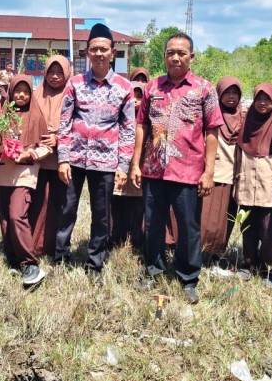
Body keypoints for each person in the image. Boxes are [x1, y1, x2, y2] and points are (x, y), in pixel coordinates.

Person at [130, 33, 222, 303]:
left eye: (181, 53)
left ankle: (188, 276)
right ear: (164, 56)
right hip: (154, 169)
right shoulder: (152, 88)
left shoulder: (205, 89)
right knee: (154, 224)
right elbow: (141, 126)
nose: (175, 57)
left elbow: (212, 131)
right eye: (170, 52)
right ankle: (154, 269)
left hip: (188, 171)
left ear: (191, 57)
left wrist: (209, 172)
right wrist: (135, 163)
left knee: (188, 226)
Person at [55, 23, 135, 279]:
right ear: (87, 53)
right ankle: (60, 256)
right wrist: (63, 159)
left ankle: (95, 263)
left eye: (104, 49)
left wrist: (123, 166)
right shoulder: (75, 84)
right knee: (67, 209)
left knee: (101, 215)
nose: (99, 53)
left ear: (113, 52)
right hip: (75, 159)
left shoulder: (124, 87)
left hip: (106, 162)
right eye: (94, 49)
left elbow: (128, 129)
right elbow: (64, 122)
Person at [0, 75, 52, 286]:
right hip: (3, 172)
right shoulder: (4, 115)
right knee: (5, 217)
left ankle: (31, 264)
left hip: (25, 172)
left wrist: (30, 154)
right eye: (17, 91)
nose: (21, 95)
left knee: (17, 214)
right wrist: (3, 150)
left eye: (26, 91)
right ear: (10, 93)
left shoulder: (36, 116)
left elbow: (46, 146)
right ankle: (13, 260)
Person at [233, 83, 272, 284]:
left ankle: (269, 268)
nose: (262, 103)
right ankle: (249, 265)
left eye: (267, 99)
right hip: (246, 189)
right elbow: (238, 158)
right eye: (259, 99)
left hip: (269, 192)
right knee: (247, 230)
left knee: (269, 232)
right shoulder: (247, 125)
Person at [28, 55, 72, 258]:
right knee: (37, 203)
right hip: (37, 160)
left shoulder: (72, 94)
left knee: (58, 203)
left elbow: (79, 123)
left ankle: (55, 247)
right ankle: (34, 245)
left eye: (59, 72)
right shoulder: (36, 95)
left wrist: (58, 139)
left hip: (62, 161)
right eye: (51, 72)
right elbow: (26, 120)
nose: (54, 77)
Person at [198, 77, 244, 269]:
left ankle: (217, 255)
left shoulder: (244, 118)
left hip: (234, 176)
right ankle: (199, 255)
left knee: (226, 221)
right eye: (227, 93)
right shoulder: (210, 115)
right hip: (213, 174)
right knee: (206, 220)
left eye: (235, 93)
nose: (231, 97)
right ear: (219, 94)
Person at [110, 82, 145, 251]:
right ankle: (116, 238)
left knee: (138, 205)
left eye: (140, 97)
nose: (136, 102)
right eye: (133, 97)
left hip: (139, 167)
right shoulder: (118, 115)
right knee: (117, 202)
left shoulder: (148, 119)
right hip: (119, 165)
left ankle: (137, 240)